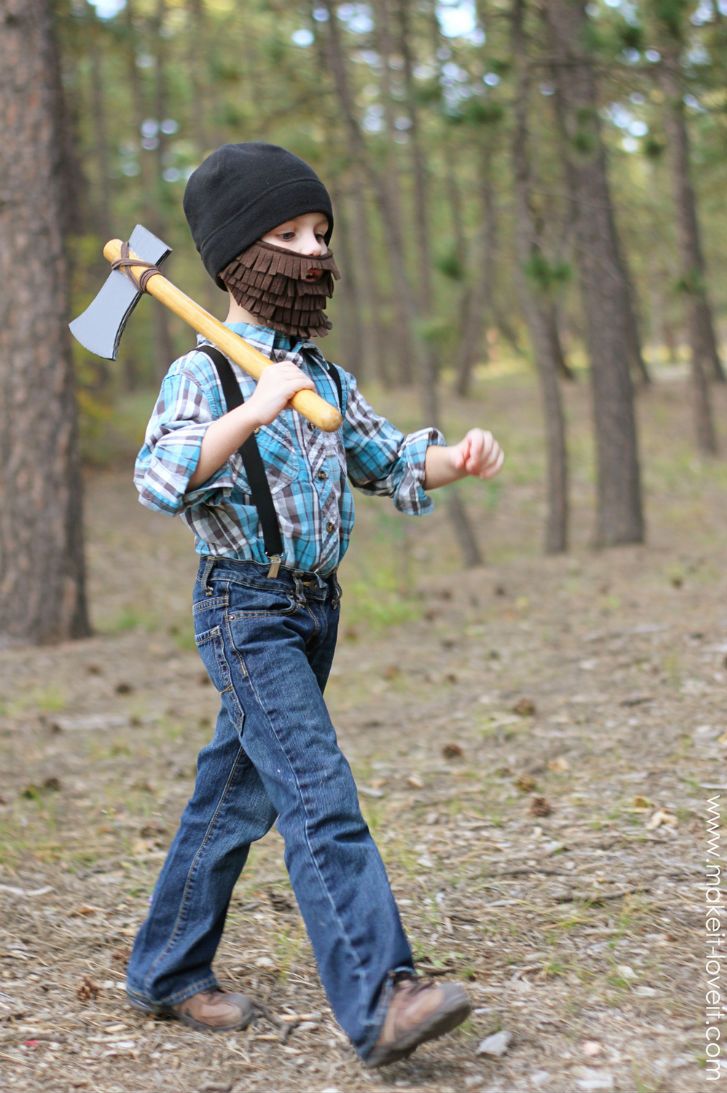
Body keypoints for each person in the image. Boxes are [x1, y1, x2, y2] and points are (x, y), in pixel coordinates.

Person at [126, 142, 504, 1068]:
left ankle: (165, 966)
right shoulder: (202, 375)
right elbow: (159, 474)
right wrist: (253, 408)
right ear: (233, 259)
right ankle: (382, 995)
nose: (310, 251)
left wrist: (449, 461)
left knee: (233, 794)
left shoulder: (324, 376)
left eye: (320, 233)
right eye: (287, 233)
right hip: (243, 609)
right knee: (315, 791)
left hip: (312, 610)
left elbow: (381, 457)